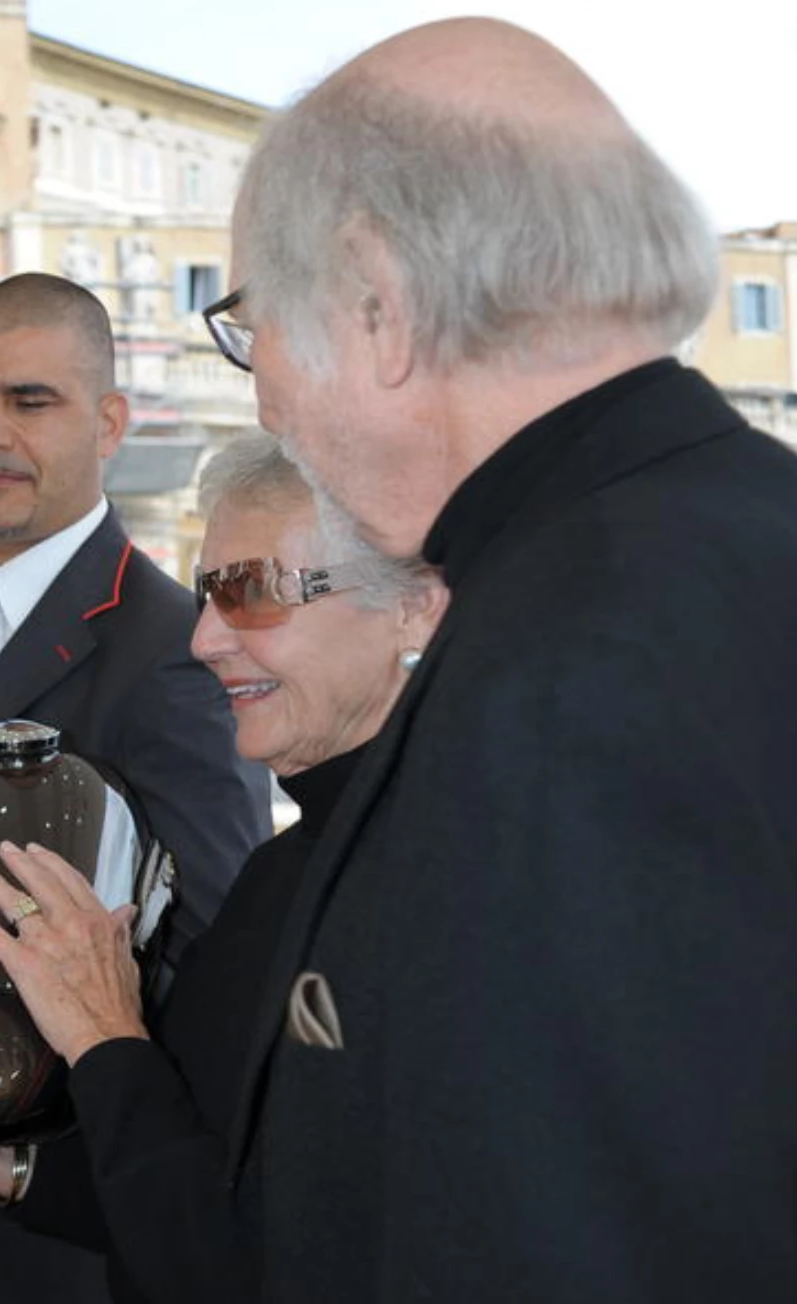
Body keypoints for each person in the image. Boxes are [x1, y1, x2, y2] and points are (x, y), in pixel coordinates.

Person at [214, 18, 797, 1299]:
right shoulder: (741, 537)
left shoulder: (563, 680)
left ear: (377, 301)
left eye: (249, 318)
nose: (261, 394)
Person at [0, 273, 268, 1304]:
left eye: (32, 401)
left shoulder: (171, 643)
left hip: (51, 1223)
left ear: (109, 421)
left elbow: (210, 946)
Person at [0, 432, 445, 1303]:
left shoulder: (447, 888)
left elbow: (245, 1261)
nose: (205, 636)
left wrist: (103, 1029)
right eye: (210, 591)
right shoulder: (284, 872)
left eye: (252, 592)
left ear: (414, 608)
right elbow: (181, 1177)